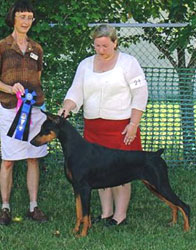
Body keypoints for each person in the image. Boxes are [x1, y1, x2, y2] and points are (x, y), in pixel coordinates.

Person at [58, 24, 148, 226]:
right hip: (94, 127)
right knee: (97, 171)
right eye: (97, 46)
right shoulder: (85, 65)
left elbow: (140, 93)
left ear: (115, 43)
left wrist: (134, 123)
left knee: (121, 172)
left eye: (105, 46)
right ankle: (106, 213)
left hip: (121, 127)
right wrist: (67, 107)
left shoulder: (128, 63)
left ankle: (120, 216)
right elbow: (76, 91)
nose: (100, 50)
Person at [0, 0, 48, 225]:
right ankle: (5, 208)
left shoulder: (37, 49)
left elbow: (38, 80)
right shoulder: (1, 47)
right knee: (8, 160)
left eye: (29, 17)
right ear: (13, 18)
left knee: (33, 158)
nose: (26, 21)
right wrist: (11, 88)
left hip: (35, 110)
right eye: (22, 16)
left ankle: (34, 207)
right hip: (10, 110)